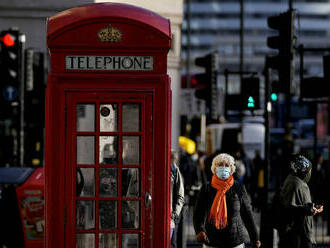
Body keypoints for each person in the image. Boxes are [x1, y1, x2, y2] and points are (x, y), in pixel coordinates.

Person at [193, 153, 261, 248]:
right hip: (212, 241)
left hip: (235, 241)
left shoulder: (238, 187)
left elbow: (247, 214)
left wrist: (255, 238)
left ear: (232, 169)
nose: (223, 168)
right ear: (214, 168)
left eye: (227, 165)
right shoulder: (206, 188)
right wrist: (200, 231)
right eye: (220, 165)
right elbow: (198, 213)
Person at [279, 154, 324, 248]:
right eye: (309, 170)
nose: (310, 173)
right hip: (297, 237)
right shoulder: (295, 183)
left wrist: (313, 208)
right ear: (303, 170)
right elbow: (288, 208)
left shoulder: (298, 182)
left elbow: (300, 203)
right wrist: (308, 210)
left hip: (300, 234)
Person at [170, 151, 185, 248]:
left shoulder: (174, 170)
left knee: (171, 244)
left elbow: (180, 195)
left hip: (169, 218)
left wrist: (175, 213)